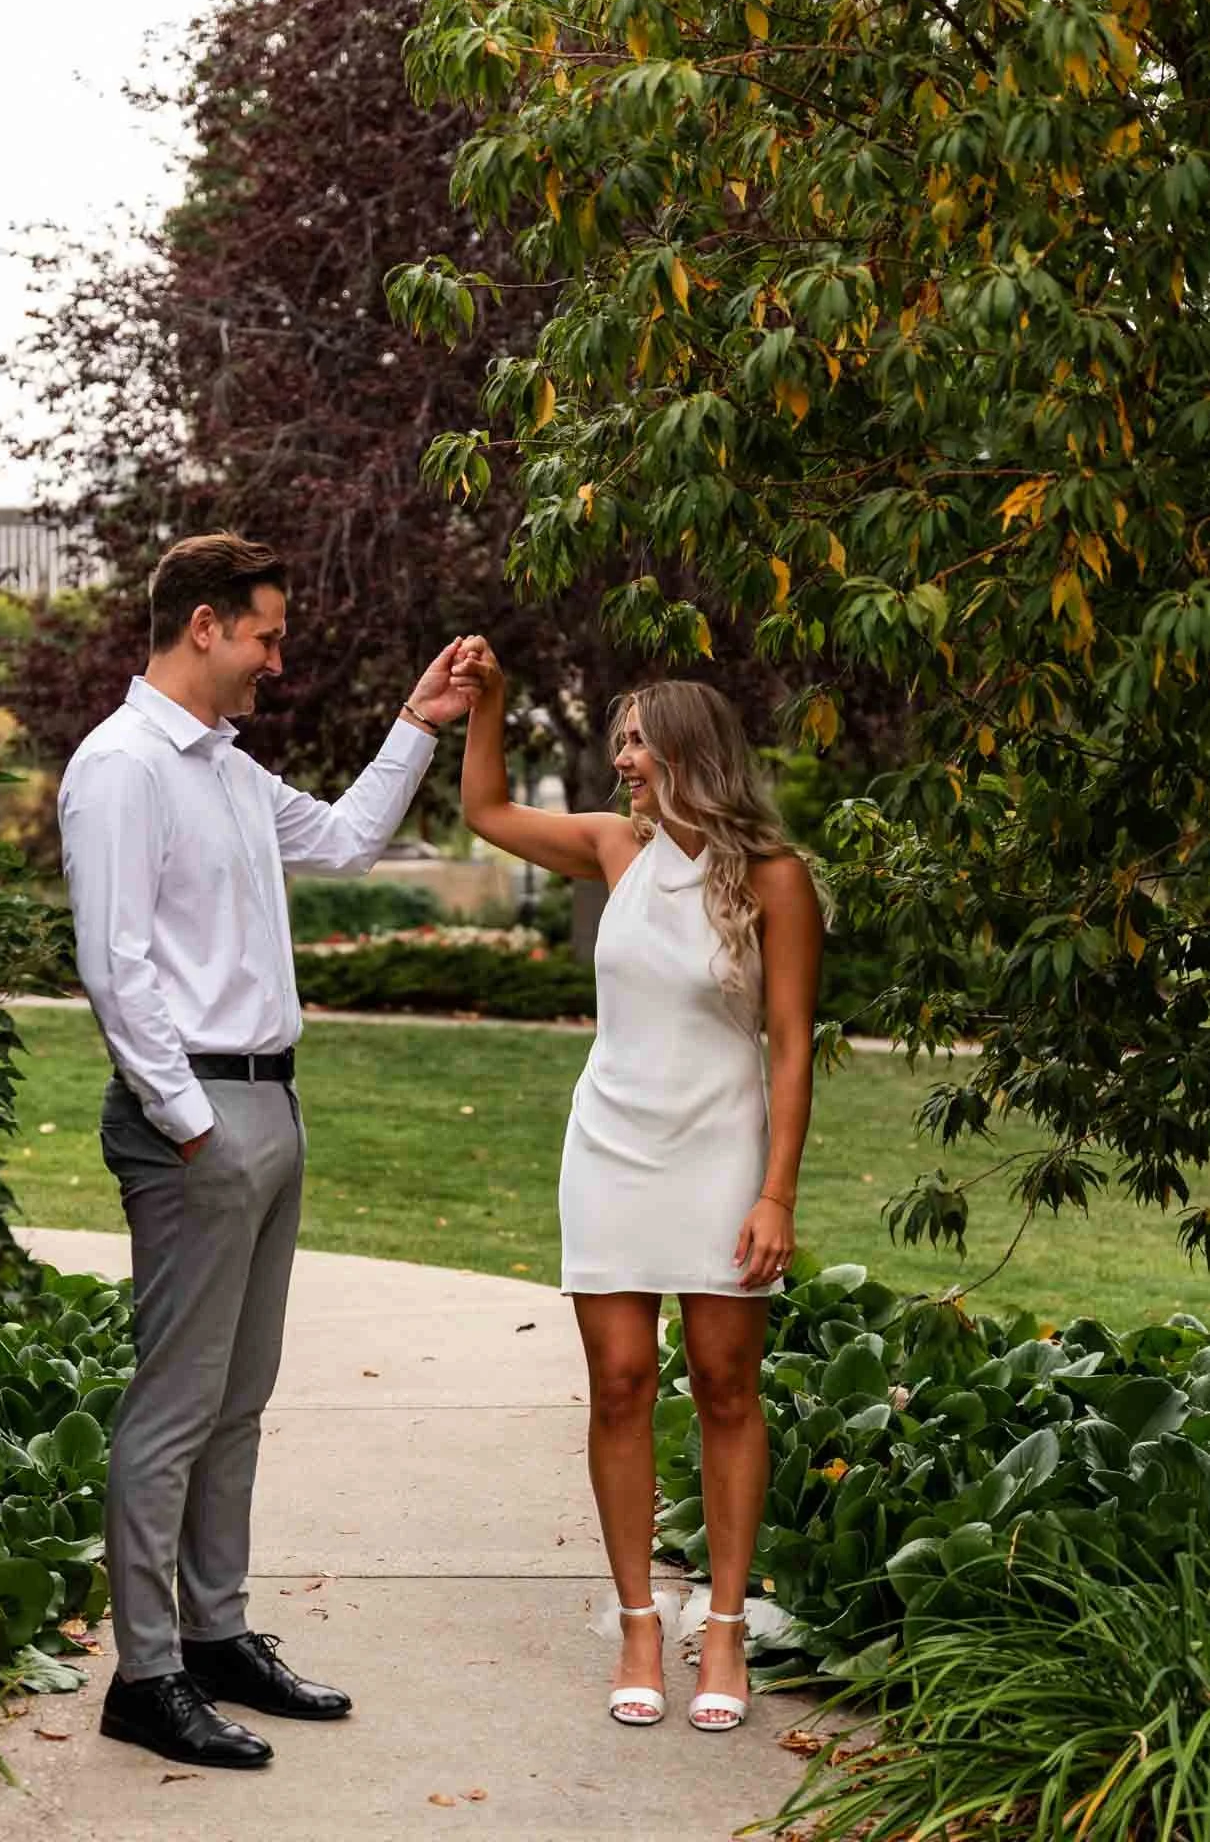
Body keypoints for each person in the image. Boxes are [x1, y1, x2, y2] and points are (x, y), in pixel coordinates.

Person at [58, 531, 482, 1770]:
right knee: (174, 1409)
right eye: (266, 634)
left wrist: (420, 720)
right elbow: (114, 963)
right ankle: (144, 1677)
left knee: (236, 1405)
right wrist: (189, 1124)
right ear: (202, 625)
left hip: (271, 1106)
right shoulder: (123, 767)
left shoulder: (230, 773)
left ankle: (215, 1636)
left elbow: (348, 839)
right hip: (193, 1122)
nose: (276, 660)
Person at [459, 643, 823, 1733]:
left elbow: (793, 1048)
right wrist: (488, 704)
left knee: (722, 1382)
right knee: (619, 1380)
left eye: (635, 742)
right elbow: (481, 807)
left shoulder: (774, 878)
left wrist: (776, 1195)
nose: (621, 759)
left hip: (722, 1149)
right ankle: (635, 1622)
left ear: (687, 754)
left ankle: (721, 1627)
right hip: (609, 1143)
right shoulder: (612, 850)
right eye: (618, 740)